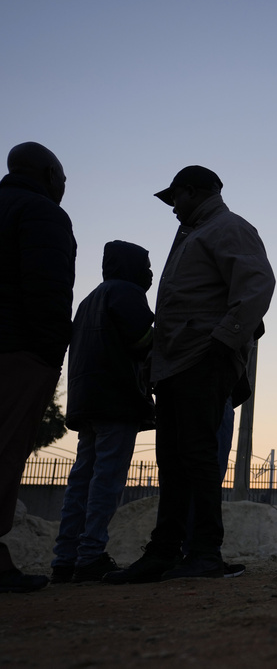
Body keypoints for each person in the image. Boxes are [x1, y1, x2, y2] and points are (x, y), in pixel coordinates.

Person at [105, 166, 275, 583]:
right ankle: (165, 551)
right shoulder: (195, 233)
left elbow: (256, 285)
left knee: (197, 456)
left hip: (202, 357)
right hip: (178, 362)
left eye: (175, 198)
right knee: (174, 460)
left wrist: (223, 342)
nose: (172, 207)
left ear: (195, 191)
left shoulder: (227, 227)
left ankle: (203, 552)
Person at [51, 241, 155, 583]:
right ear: (132, 267)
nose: (150, 273)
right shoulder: (126, 293)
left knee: (81, 480)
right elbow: (143, 340)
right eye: (147, 265)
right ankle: (91, 555)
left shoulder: (88, 300)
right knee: (106, 481)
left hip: (88, 400)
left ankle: (64, 558)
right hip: (117, 400)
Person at [0, 142, 75, 593]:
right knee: (6, 449)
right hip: (18, 351)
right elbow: (47, 291)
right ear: (49, 174)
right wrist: (51, 354)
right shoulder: (42, 212)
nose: (64, 186)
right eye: (62, 177)